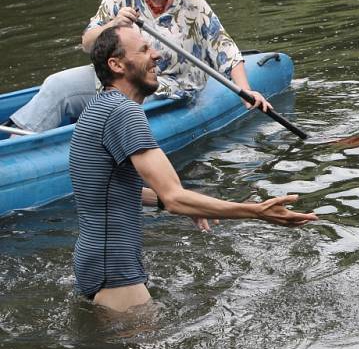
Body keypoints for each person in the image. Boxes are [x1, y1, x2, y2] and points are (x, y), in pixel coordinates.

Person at [69, 25, 317, 313]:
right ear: (116, 64)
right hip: (116, 270)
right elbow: (175, 198)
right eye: (145, 50)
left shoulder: (98, 108)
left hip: (92, 262)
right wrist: (256, 211)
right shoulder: (125, 113)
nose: (157, 55)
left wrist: (175, 201)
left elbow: (109, 187)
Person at [7, 0, 269, 133]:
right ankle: (17, 146)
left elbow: (225, 49)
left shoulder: (193, 4)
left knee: (124, 106)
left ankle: (93, 134)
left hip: (167, 86)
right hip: (113, 79)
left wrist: (245, 90)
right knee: (56, 84)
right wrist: (113, 25)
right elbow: (88, 43)